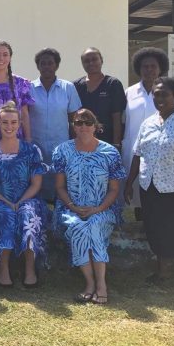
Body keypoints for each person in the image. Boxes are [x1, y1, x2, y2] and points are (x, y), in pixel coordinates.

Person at [124, 77, 174, 290]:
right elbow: (137, 155)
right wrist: (129, 182)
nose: (159, 98)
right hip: (150, 186)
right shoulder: (148, 123)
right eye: (156, 94)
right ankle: (162, 271)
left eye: (164, 94)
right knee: (156, 228)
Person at [52, 108, 126, 305]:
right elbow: (59, 186)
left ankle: (101, 285)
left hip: (103, 209)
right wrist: (73, 207)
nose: (83, 126)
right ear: (73, 126)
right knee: (78, 227)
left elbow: (114, 190)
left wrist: (98, 208)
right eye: (78, 123)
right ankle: (90, 283)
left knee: (92, 224)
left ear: (96, 126)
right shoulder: (62, 151)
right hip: (70, 208)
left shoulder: (110, 153)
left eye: (87, 122)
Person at [0, 101, 49, 288]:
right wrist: (7, 202)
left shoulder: (31, 150)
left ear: (19, 124)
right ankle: (3, 267)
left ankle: (29, 267)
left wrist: (21, 201)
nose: (9, 127)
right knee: (6, 214)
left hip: (28, 198)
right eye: (5, 122)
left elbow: (36, 183)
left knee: (28, 214)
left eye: (13, 122)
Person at [122, 47, 174, 218]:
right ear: (139, 69)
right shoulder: (129, 93)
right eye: (145, 67)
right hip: (135, 152)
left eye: (153, 66)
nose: (149, 70)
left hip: (166, 154)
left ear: (160, 68)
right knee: (139, 196)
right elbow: (123, 122)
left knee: (161, 197)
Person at [28, 47, 81, 202]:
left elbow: (75, 119)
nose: (46, 67)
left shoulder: (68, 88)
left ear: (57, 65)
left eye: (50, 63)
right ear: (38, 66)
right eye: (42, 63)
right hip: (36, 147)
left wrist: (75, 144)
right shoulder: (29, 88)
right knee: (38, 183)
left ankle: (60, 214)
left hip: (61, 146)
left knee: (61, 184)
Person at [73, 47, 126, 149]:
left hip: (107, 142)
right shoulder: (76, 86)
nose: (91, 63)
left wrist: (116, 145)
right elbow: (73, 117)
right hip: (82, 142)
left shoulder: (113, 84)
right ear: (82, 64)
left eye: (94, 59)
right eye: (86, 61)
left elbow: (117, 117)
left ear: (101, 60)